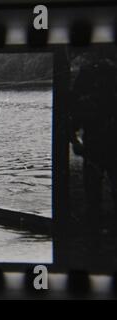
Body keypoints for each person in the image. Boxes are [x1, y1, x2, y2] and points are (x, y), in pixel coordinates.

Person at [69, 51, 117, 223]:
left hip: (96, 143)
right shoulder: (91, 76)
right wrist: (74, 139)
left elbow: (73, 111)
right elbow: (74, 111)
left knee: (93, 193)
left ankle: (94, 226)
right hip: (96, 143)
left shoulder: (87, 76)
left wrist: (74, 139)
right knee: (93, 192)